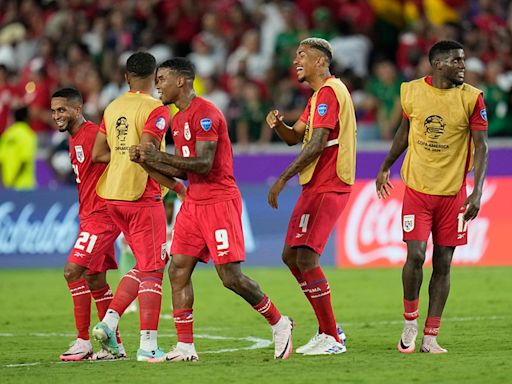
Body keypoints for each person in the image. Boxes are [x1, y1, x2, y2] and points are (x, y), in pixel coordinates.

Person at [129, 57, 294, 362]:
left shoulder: (206, 114)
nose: (157, 85)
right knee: (177, 269)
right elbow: (186, 172)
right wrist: (149, 161)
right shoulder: (176, 121)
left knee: (230, 277)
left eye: (162, 79)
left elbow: (203, 165)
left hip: (219, 201)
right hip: (193, 202)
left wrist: (159, 155)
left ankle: (279, 322)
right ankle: (186, 347)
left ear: (181, 81)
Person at [375, 40, 488, 354]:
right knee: (415, 256)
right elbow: (404, 132)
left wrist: (477, 190)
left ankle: (430, 336)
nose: (463, 66)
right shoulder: (412, 91)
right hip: (418, 190)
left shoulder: (472, 98)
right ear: (438, 64)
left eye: (464, 60)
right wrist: (385, 165)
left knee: (443, 263)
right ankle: (410, 321)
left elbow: (482, 147)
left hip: (453, 194)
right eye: (457, 61)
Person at [265, 37, 356, 355]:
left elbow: (317, 143)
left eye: (302, 55)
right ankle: (329, 331)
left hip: (328, 183)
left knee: (305, 258)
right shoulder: (319, 95)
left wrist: (282, 179)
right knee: (291, 256)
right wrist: (279, 126)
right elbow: (296, 137)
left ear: (321, 61)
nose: (295, 61)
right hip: (315, 184)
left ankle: (331, 336)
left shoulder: (330, 92)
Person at [91, 52, 182, 361]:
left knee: (144, 264)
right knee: (155, 268)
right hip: (141, 194)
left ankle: (110, 321)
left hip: (113, 194)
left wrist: (120, 158)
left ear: (127, 77)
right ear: (154, 76)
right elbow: (146, 150)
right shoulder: (156, 109)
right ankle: (148, 346)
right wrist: (177, 184)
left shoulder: (112, 106)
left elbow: (98, 153)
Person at [50, 88, 125, 361]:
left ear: (77, 110)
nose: (57, 115)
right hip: (90, 217)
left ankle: (83, 341)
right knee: (95, 279)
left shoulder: (93, 134)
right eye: (54, 110)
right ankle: (114, 346)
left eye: (62, 110)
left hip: (103, 217)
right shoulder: (73, 139)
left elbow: (121, 160)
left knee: (73, 272)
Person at [0, 107, 37, 190]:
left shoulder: (7, 135)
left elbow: (1, 162)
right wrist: (14, 182)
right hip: (24, 185)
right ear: (26, 118)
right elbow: (24, 161)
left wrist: (5, 183)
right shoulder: (28, 135)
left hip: (7, 185)